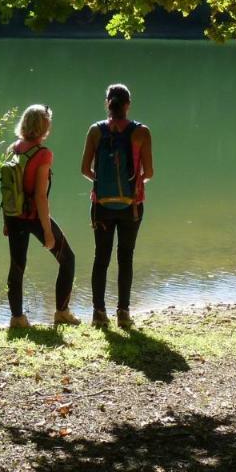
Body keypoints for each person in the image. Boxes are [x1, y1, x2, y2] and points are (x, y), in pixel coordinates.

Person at [81, 83, 153, 329]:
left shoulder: (95, 130)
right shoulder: (141, 132)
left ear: (107, 103)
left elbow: (84, 170)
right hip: (131, 207)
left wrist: (101, 183)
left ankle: (98, 314)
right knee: (126, 258)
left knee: (100, 259)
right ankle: (123, 313)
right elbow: (150, 172)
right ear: (128, 105)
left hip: (101, 205)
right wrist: (135, 183)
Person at [4, 104, 81, 329]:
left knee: (17, 266)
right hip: (33, 217)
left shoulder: (12, 149)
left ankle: (17, 318)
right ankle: (62, 312)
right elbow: (40, 196)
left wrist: (6, 221)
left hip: (13, 216)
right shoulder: (43, 154)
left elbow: (7, 188)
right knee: (68, 259)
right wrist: (47, 232)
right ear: (43, 126)